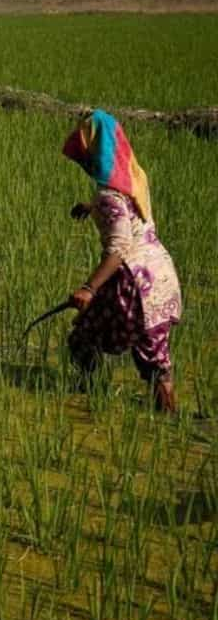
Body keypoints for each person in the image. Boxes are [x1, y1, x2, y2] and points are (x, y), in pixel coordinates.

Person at [61, 110, 182, 413]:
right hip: (162, 280)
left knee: (82, 339)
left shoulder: (109, 197)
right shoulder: (135, 179)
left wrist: (89, 288)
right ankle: (170, 419)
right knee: (155, 359)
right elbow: (129, 211)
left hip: (134, 286)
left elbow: (118, 247)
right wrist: (92, 207)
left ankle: (92, 396)